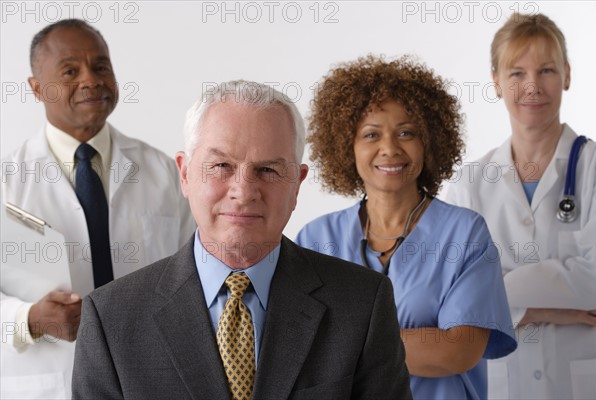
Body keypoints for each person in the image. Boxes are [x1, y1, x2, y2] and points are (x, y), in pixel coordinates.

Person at [71, 80, 412, 399]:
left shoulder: (363, 304)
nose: (243, 191)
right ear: (186, 174)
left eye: (267, 170)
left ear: (297, 185)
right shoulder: (111, 318)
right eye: (221, 166)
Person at [296, 55, 517, 399]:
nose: (390, 148)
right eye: (371, 134)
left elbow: (456, 352)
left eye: (406, 132)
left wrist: (345, 339)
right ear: (346, 146)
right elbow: (300, 352)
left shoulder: (464, 234)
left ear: (428, 142)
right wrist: (417, 339)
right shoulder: (315, 239)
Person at [0, 19, 195, 399]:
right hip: (50, 380)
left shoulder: (163, 171)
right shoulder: (7, 182)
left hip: (151, 376)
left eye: (101, 65)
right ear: (37, 88)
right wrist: (27, 320)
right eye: (70, 70)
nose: (91, 79)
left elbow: (195, 269)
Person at [446, 13, 596, 399]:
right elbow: (450, 297)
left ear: (566, 74)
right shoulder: (471, 183)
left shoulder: (594, 167)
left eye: (546, 69)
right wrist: (540, 311)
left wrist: (495, 293)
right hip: (500, 385)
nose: (532, 86)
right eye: (516, 73)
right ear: (496, 81)